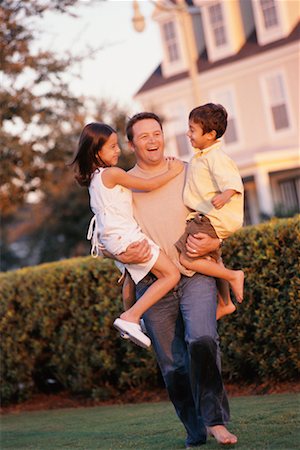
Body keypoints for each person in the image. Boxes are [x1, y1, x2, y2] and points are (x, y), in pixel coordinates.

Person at [106, 112, 238, 446]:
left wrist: (215, 241)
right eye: (144, 136)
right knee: (173, 366)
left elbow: (221, 213)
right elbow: (109, 233)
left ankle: (215, 420)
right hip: (153, 282)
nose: (153, 141)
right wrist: (118, 255)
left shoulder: (188, 170)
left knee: (203, 340)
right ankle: (194, 428)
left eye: (157, 133)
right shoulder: (122, 184)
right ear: (131, 143)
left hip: (195, 273)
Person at [71, 122, 183, 348]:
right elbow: (148, 185)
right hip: (126, 236)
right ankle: (131, 317)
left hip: (111, 239)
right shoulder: (112, 174)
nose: (118, 150)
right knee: (171, 275)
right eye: (112, 147)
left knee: (131, 276)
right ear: (96, 151)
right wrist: (173, 172)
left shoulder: (94, 180)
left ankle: (132, 316)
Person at [175, 103, 244, 320]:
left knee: (187, 259)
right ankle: (225, 302)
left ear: (210, 134)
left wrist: (225, 195)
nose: (188, 133)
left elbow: (232, 181)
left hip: (213, 217)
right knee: (213, 261)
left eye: (192, 130)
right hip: (208, 216)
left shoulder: (216, 157)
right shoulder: (201, 156)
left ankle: (233, 276)